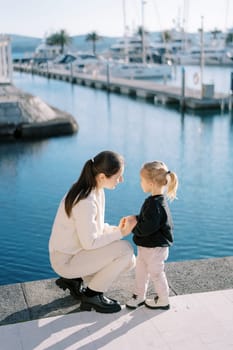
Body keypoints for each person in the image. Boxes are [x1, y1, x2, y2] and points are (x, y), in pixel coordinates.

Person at [49, 150, 136, 314]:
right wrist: (120, 234)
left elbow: (95, 229)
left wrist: (118, 228)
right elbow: (90, 243)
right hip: (66, 260)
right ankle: (92, 295)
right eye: (118, 176)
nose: (121, 180)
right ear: (102, 176)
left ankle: (76, 279)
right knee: (125, 250)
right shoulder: (86, 200)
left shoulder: (95, 190)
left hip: (75, 252)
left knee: (130, 261)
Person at [125, 160, 178, 310]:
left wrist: (133, 227)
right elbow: (148, 220)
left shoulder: (156, 205)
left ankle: (163, 299)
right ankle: (139, 295)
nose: (141, 183)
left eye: (142, 180)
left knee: (156, 272)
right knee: (140, 271)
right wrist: (136, 218)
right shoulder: (155, 201)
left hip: (155, 248)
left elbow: (147, 227)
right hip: (147, 246)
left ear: (152, 183)